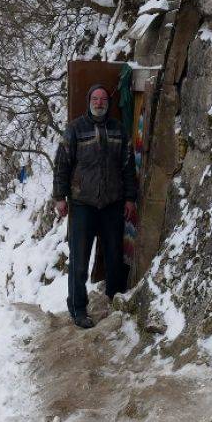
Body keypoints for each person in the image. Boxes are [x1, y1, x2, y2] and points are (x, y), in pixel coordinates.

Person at [52, 84, 137, 329]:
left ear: (108, 104)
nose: (99, 102)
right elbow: (62, 165)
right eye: (95, 98)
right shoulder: (75, 129)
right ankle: (78, 308)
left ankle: (114, 301)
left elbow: (128, 168)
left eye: (103, 99)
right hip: (82, 205)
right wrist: (60, 197)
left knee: (114, 258)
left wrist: (130, 198)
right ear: (89, 101)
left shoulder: (119, 130)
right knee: (79, 261)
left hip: (113, 204)